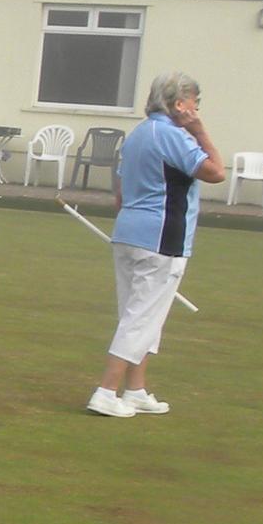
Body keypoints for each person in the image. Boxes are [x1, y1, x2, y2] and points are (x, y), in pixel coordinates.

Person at [87, 72, 222, 417]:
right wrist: (200, 131)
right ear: (180, 104)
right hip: (162, 237)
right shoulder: (172, 135)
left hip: (129, 233)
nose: (197, 107)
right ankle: (106, 391)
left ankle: (135, 389)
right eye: (195, 102)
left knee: (140, 314)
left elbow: (120, 194)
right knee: (140, 317)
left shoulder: (138, 135)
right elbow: (215, 171)